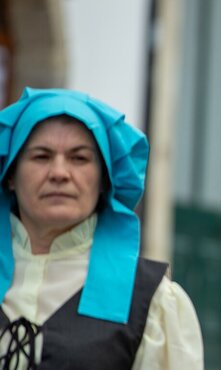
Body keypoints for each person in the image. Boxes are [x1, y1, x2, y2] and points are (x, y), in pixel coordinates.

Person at [0, 88, 202, 368]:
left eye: (79, 158)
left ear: (105, 180)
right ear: (10, 174)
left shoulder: (150, 302)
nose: (59, 173)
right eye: (41, 156)